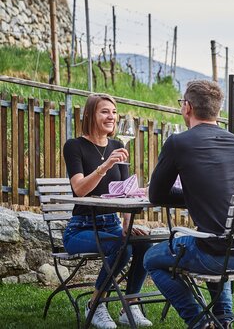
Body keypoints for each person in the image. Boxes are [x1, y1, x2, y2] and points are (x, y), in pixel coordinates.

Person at [144, 80, 234, 329]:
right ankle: (223, 322)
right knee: (212, 240)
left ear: (187, 107)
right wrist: (198, 196)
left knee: (151, 258)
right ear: (217, 111)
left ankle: (199, 322)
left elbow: (156, 195)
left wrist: (191, 196)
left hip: (217, 255)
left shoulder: (179, 143)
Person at [62, 94, 153, 329]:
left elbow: (124, 191)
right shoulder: (74, 146)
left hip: (111, 225)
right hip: (81, 228)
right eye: (104, 111)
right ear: (91, 115)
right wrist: (105, 166)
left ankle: (129, 304)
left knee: (143, 244)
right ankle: (95, 304)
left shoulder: (118, 146)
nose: (111, 116)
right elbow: (79, 189)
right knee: (121, 248)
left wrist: (127, 225)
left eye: (113, 112)